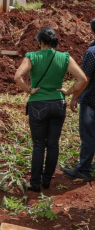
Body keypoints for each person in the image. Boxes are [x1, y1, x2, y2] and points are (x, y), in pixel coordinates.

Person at [14, 27, 87, 191]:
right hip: (58, 104)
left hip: (37, 104)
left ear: (40, 42)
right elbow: (82, 79)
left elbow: (17, 77)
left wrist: (29, 90)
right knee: (53, 144)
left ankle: (34, 183)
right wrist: (68, 92)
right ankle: (47, 180)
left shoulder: (32, 56)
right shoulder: (64, 57)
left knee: (39, 144)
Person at [63, 18, 95, 182]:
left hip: (92, 100)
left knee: (88, 134)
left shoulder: (92, 53)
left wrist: (74, 97)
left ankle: (83, 170)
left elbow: (84, 79)